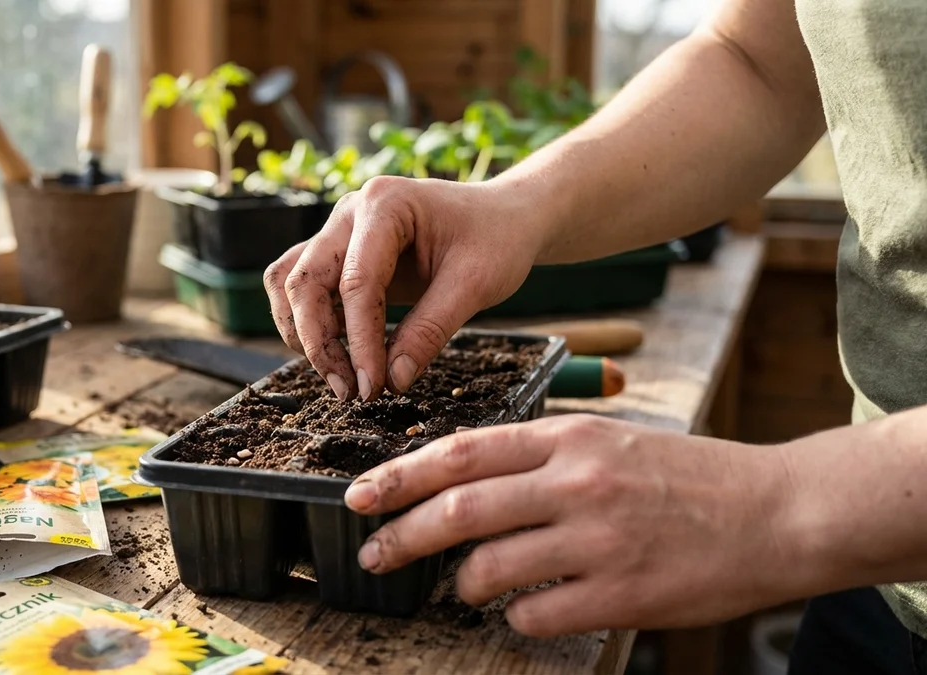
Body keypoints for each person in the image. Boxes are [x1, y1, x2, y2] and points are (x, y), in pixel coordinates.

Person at [262, 0, 927, 672]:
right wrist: (515, 204)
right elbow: (758, 63)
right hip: (874, 584)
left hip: (858, 518)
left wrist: (779, 504)